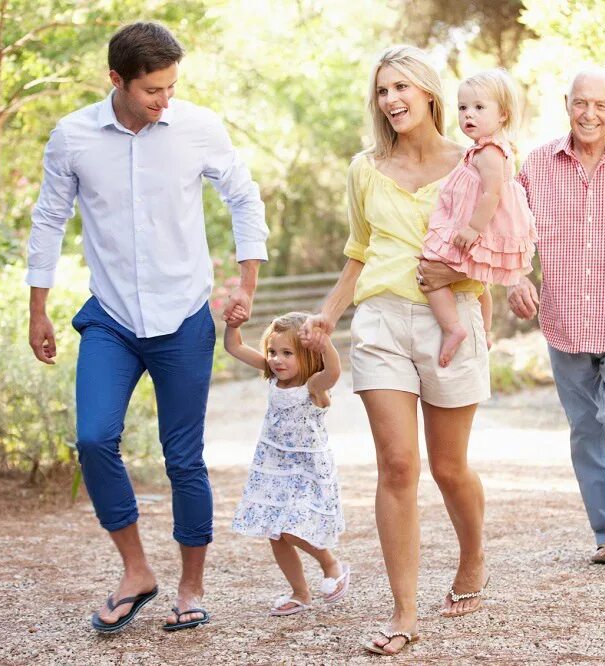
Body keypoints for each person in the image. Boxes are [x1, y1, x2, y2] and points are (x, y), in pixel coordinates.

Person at [26, 22, 268, 632]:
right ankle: (136, 572)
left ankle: (190, 587)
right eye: (152, 90)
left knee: (183, 459)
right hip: (110, 317)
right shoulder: (73, 137)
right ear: (117, 80)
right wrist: (38, 308)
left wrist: (247, 282)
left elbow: (244, 196)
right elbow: (49, 219)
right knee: (92, 439)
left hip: (183, 317)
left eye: (171, 87)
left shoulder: (197, 128)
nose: (165, 100)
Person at [420, 65, 605, 565]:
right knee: (585, 428)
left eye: (600, 106)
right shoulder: (535, 165)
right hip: (564, 320)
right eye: (581, 103)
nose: (589, 113)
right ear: (567, 103)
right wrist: (516, 278)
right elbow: (504, 222)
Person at [298, 45, 491, 657]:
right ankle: (404, 612)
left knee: (449, 467)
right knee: (398, 464)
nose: (392, 100)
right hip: (380, 319)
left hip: (451, 316)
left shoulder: (472, 162)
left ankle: (473, 555)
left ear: (429, 92)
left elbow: (498, 237)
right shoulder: (365, 168)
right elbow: (359, 250)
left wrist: (492, 298)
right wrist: (328, 314)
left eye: (402, 87)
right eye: (383, 91)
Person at [224, 310, 349, 614]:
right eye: (272, 351)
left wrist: (324, 344)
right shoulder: (272, 376)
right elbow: (235, 347)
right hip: (273, 467)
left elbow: (334, 372)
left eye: (287, 353)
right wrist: (233, 326)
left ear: (306, 356)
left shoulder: (314, 387)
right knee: (275, 533)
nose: (277, 360)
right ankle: (299, 593)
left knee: (291, 528)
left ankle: (330, 563)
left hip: (306, 471)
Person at [420, 68, 536, 367]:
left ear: (503, 116)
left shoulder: (490, 152)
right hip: (481, 224)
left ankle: (454, 328)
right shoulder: (481, 149)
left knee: (430, 272)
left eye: (479, 107)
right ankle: (484, 331)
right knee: (480, 284)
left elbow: (491, 195)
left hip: (483, 225)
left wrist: (472, 228)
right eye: (462, 108)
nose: (468, 114)